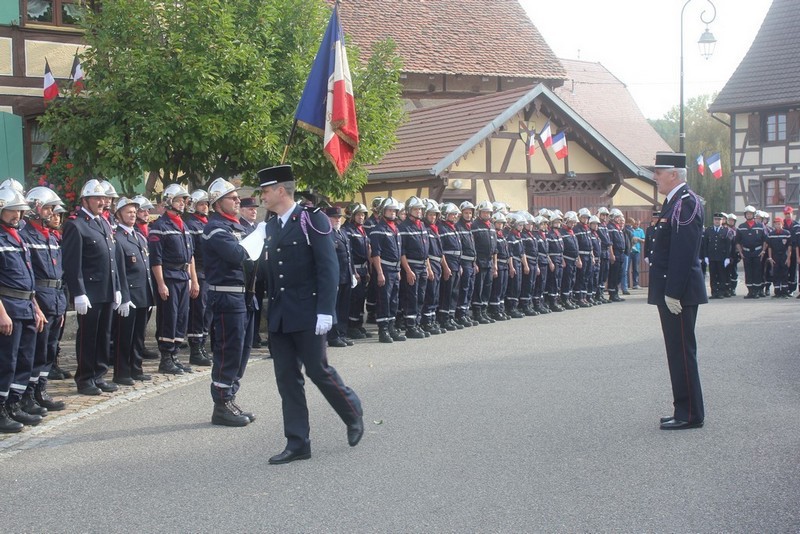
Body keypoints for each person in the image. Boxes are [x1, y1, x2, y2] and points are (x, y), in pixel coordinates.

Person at [259, 165, 363, 464]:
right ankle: (298, 442)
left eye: (265, 191)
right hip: (280, 314)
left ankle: (352, 412)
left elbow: (328, 266)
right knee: (287, 379)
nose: (262, 196)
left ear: (281, 190)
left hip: (308, 311)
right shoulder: (271, 225)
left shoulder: (311, 218)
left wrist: (326, 310)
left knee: (318, 371)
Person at [648, 152, 707, 430]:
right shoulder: (673, 202)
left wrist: (672, 291)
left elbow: (683, 253)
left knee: (682, 352)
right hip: (673, 289)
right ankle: (683, 408)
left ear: (674, 174)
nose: (655, 177)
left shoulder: (686, 203)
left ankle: (690, 414)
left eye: (659, 172)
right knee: (676, 352)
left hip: (679, 293)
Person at [202, 178, 256, 427]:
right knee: (228, 349)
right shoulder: (216, 228)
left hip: (242, 294)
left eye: (237, 198)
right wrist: (257, 240)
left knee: (242, 349)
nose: (237, 201)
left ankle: (230, 396)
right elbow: (237, 255)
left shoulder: (237, 226)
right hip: (226, 295)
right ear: (217, 203)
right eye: (232, 198)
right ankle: (221, 404)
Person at [62, 179, 123, 395]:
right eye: (97, 198)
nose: (102, 202)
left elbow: (112, 260)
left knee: (104, 335)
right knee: (88, 336)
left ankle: (99, 374)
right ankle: (85, 378)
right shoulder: (75, 225)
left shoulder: (103, 223)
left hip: (106, 290)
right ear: (85, 200)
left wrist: (116, 287)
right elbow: (72, 263)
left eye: (103, 198)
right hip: (89, 292)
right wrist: (78, 292)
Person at [0, 187, 47, 432]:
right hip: (9, 308)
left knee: (24, 360)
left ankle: (14, 404)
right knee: (7, 361)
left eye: (20, 211)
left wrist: (36, 308)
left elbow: (27, 279)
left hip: (26, 306)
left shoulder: (17, 237)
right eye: (12, 210)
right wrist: (1, 313)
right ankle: (1, 409)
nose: (17, 215)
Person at [19, 187, 68, 411]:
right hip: (40, 299)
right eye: (48, 208)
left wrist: (62, 304)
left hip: (55, 299)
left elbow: (58, 273)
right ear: (35, 209)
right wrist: (35, 305)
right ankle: (27, 395)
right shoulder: (26, 236)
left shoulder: (51, 236)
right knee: (35, 351)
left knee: (49, 349)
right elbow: (29, 275)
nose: (52, 213)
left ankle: (41, 389)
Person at [148, 184, 200, 374]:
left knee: (181, 317)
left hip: (183, 276)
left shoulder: (183, 225)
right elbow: (156, 259)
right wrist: (161, 283)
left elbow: (191, 255)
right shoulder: (159, 227)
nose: (183, 204)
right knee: (169, 317)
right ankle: (166, 358)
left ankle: (175, 355)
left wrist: (193, 280)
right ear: (169, 201)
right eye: (179, 200)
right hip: (169, 277)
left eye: (184, 200)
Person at [111, 197, 155, 385]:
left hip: (143, 293)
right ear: (118, 215)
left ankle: (136, 368)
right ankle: (122, 372)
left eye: (134, 212)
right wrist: (123, 297)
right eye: (128, 212)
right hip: (129, 294)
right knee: (124, 336)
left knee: (139, 335)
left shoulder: (139, 237)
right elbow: (119, 271)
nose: (133, 215)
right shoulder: (117, 238)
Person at [184, 189, 213, 366]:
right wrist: (193, 279)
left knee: (207, 313)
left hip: (210, 273)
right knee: (198, 312)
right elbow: (191, 255)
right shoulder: (191, 225)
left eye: (206, 204)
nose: (205, 207)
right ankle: (195, 349)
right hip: (199, 272)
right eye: (201, 204)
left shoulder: (208, 223)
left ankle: (202, 345)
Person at [326, 206, 356, 348]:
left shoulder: (342, 232)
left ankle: (342, 334)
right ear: (328, 219)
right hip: (336, 277)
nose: (337, 220)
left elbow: (349, 255)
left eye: (339, 217)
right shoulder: (327, 234)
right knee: (335, 308)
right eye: (334, 217)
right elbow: (329, 259)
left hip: (346, 275)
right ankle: (333, 336)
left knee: (344, 307)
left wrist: (353, 273)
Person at [701, 213, 732, 299]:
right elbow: (705, 244)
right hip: (711, 257)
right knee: (713, 275)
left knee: (722, 275)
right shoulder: (708, 230)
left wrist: (727, 257)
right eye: (715, 219)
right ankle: (714, 292)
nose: (717, 221)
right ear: (713, 220)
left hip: (722, 257)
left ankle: (721, 292)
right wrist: (706, 256)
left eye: (719, 220)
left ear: (722, 221)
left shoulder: (726, 231)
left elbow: (728, 246)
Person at [766, 217, 793, 298]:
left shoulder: (786, 233)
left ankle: (784, 292)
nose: (777, 225)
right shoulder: (771, 234)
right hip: (775, 256)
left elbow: (789, 246)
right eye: (776, 224)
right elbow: (769, 247)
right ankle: (777, 292)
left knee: (784, 273)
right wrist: (770, 258)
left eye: (779, 224)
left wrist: (788, 258)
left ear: (782, 224)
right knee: (776, 274)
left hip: (784, 255)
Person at [629, 218, 645, 289]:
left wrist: (638, 239)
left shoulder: (641, 230)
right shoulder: (630, 230)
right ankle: (626, 284)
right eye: (635, 224)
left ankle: (635, 284)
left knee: (636, 268)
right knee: (626, 268)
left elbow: (644, 240)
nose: (637, 225)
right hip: (629, 251)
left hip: (637, 251)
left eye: (638, 224)